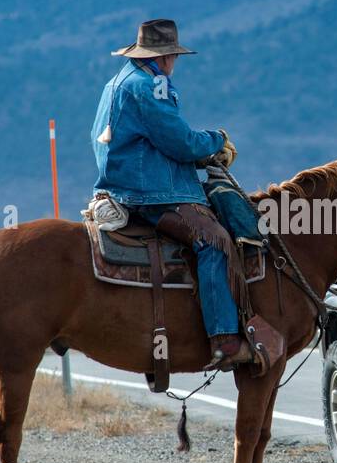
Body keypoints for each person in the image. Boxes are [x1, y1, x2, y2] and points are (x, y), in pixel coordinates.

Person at [92, 19, 252, 369]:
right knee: (215, 241)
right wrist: (217, 140)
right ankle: (224, 339)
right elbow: (179, 142)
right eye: (174, 57)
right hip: (151, 194)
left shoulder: (116, 83)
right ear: (164, 57)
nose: (174, 64)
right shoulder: (148, 87)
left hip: (126, 185)